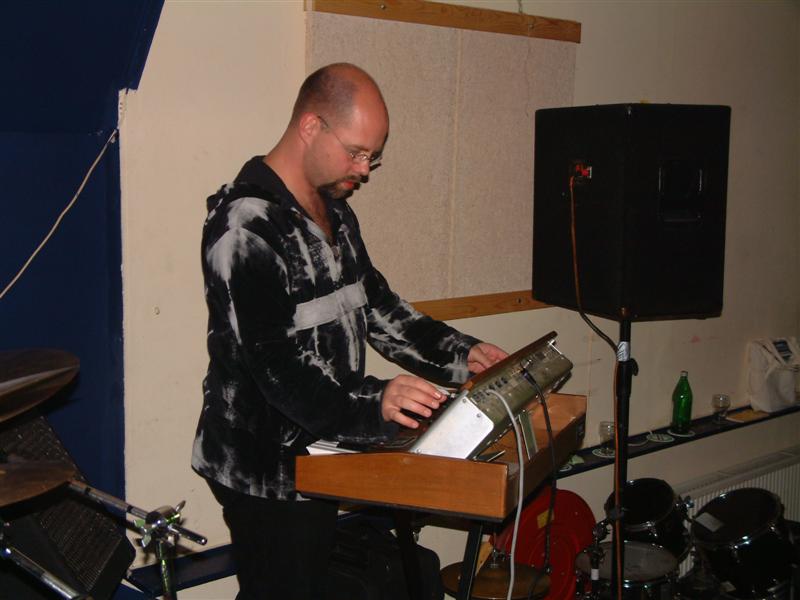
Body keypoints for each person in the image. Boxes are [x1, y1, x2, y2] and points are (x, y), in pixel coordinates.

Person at [191, 62, 507, 599]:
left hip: (318, 450)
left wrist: (464, 355)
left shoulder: (334, 212)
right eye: (357, 153)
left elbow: (380, 309)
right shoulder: (244, 228)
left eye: (372, 157)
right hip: (264, 468)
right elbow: (277, 370)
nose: (364, 170)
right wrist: (374, 403)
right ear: (311, 126)